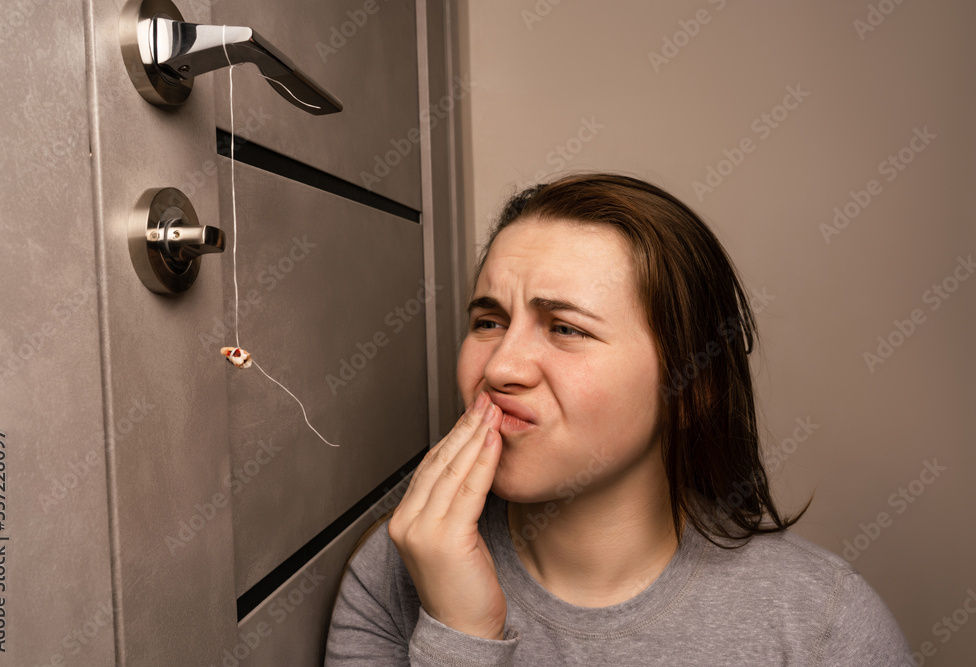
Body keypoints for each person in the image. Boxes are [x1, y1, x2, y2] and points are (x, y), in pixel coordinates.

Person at [324, 172, 914, 665]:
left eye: (565, 328)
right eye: (489, 322)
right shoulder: (396, 573)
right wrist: (462, 635)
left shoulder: (824, 626)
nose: (500, 367)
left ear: (693, 387)